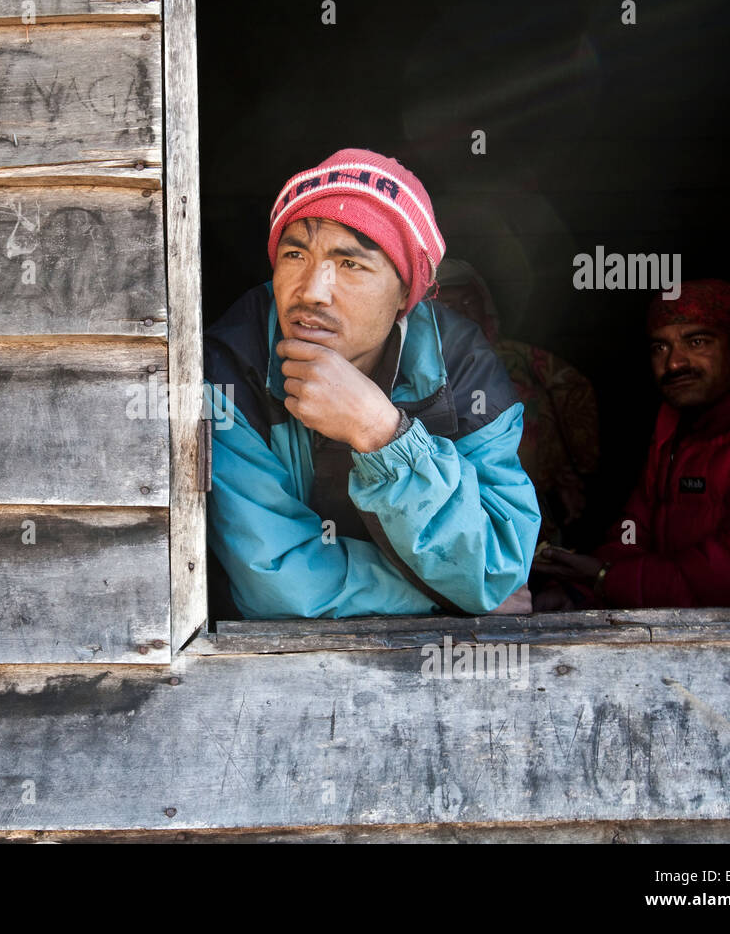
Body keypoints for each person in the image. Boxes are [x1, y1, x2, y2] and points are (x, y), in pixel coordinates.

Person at [202, 148, 540, 619]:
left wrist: (382, 433)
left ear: (406, 291)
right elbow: (275, 583)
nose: (313, 292)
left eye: (351, 264)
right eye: (294, 254)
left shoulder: (461, 369)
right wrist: (442, 596)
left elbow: (499, 563)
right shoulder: (233, 369)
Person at [534, 279, 730, 608]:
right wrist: (578, 592)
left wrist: (606, 580)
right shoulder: (680, 425)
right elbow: (633, 534)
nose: (674, 363)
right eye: (660, 347)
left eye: (697, 341)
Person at [434, 259, 599, 545]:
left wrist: (573, 471)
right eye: (447, 305)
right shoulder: (419, 373)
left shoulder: (517, 357)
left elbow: (573, 389)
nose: (461, 311)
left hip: (533, 498)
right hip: (454, 513)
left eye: (468, 301)